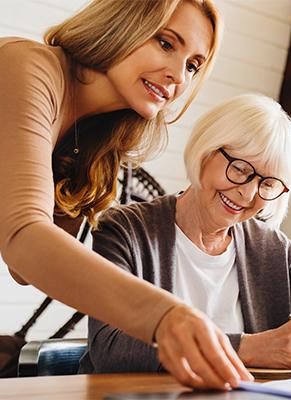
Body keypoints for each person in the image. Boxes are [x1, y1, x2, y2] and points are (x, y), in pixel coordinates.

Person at [0, 0, 254, 389]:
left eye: (192, 66)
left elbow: (24, 271)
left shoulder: (91, 143)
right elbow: (23, 241)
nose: (177, 77)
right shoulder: (27, 66)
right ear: (122, 23)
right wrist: (165, 315)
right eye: (166, 44)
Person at [78, 94, 291, 373]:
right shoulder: (125, 230)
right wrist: (249, 348)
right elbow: (109, 347)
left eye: (267, 184)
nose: (248, 192)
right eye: (240, 168)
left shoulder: (271, 248)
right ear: (206, 151)